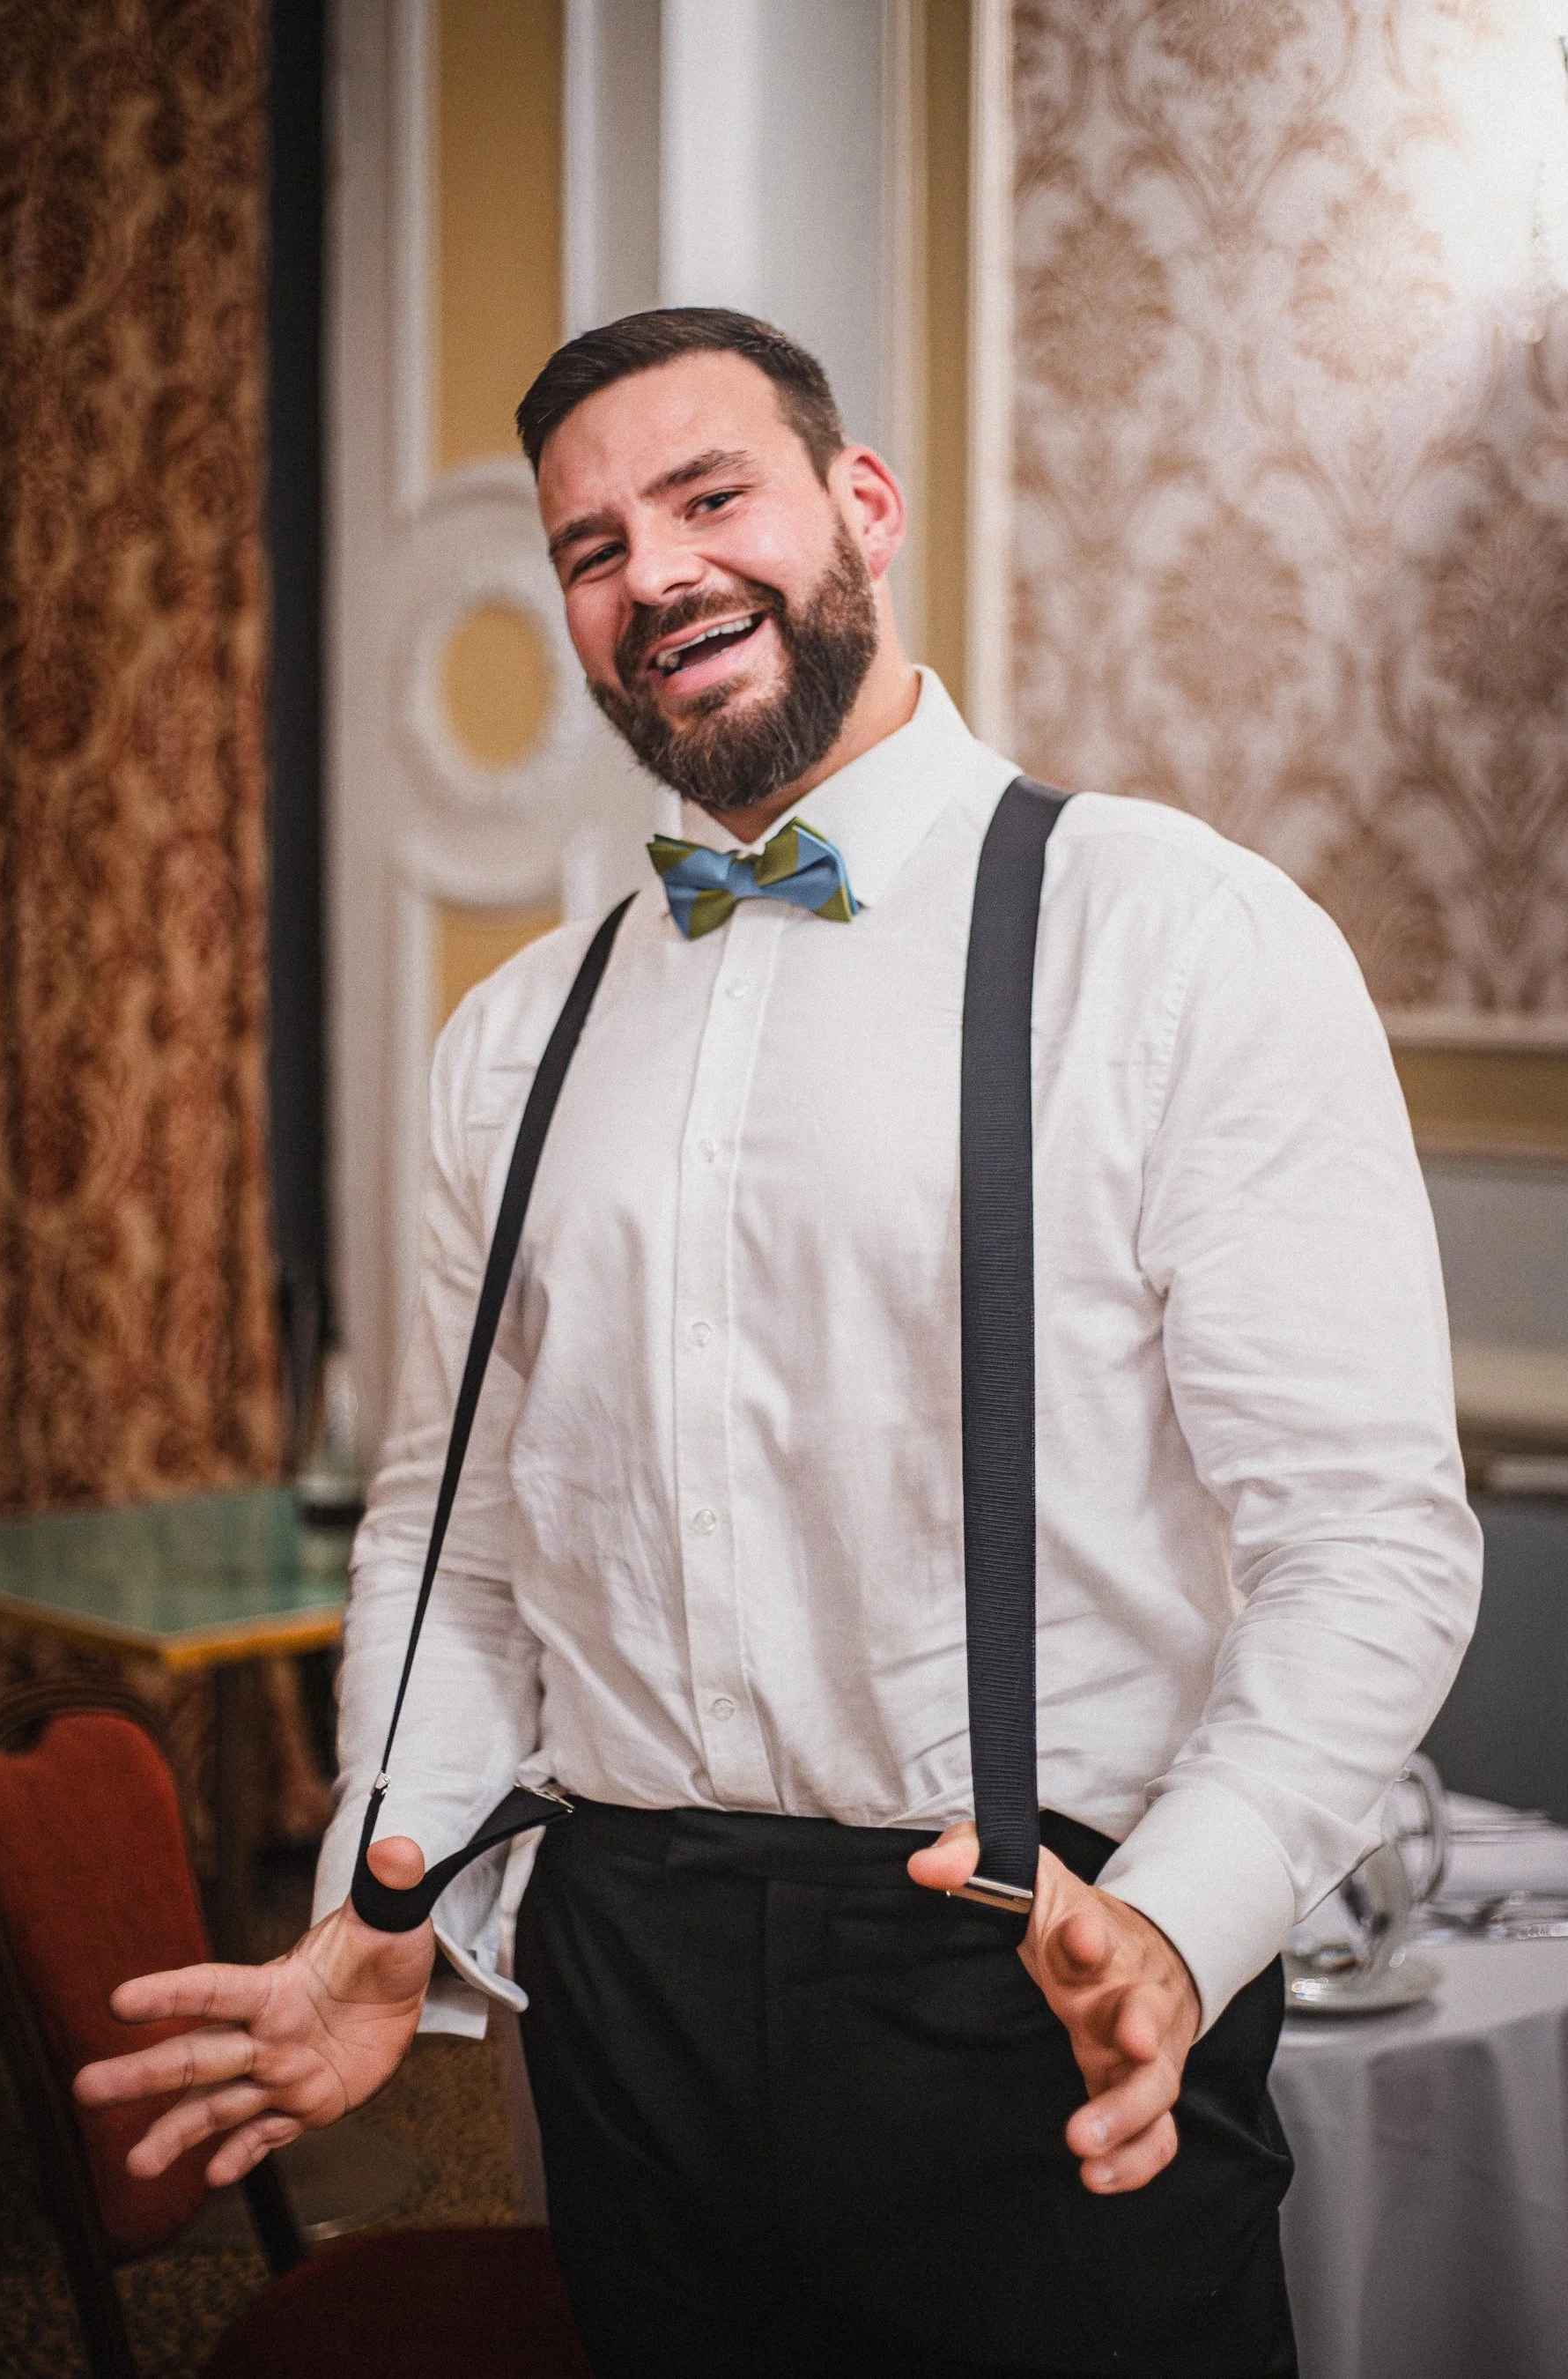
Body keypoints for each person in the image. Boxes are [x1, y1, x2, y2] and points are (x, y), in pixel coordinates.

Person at [77, 308, 1482, 2377]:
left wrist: (1184, 1917)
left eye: (709, 496)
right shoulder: (513, 1041)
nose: (653, 573)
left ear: (863, 508)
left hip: (1037, 1973)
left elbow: (1368, 1535)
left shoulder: (1181, 937)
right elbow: (452, 1541)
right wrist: (386, 1911)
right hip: (624, 1996)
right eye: (587, 547)